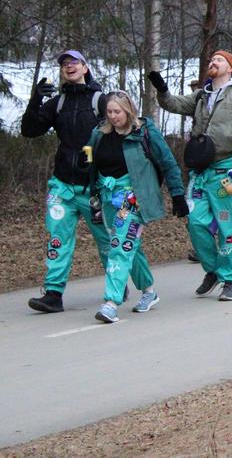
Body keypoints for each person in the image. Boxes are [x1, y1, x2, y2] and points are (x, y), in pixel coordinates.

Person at [152, 50, 232, 301]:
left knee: (227, 226)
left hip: (227, 170)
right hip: (201, 171)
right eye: (212, 59)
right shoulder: (202, 96)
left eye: (219, 60)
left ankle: (229, 279)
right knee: (195, 221)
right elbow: (173, 104)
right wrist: (162, 90)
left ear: (230, 68)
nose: (213, 62)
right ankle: (213, 270)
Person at [22, 50, 123, 313]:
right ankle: (53, 294)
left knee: (106, 239)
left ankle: (117, 282)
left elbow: (122, 133)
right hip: (62, 185)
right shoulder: (58, 103)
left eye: (74, 62)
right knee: (58, 239)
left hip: (94, 189)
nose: (69, 67)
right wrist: (35, 99)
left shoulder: (101, 101)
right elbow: (29, 130)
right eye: (65, 64)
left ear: (85, 67)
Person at [84, 92, 187, 323]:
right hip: (107, 196)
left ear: (128, 110)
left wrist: (177, 194)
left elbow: (168, 162)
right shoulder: (99, 133)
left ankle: (111, 303)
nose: (113, 116)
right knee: (130, 245)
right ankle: (149, 291)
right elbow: (89, 163)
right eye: (109, 112)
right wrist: (86, 176)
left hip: (133, 197)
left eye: (117, 112)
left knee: (120, 246)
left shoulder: (144, 132)